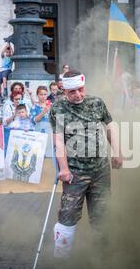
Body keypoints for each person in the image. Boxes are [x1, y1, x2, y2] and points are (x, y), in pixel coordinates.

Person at [49, 70, 123, 258]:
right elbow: (58, 140)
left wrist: (118, 151)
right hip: (75, 172)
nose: (77, 95)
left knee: (102, 214)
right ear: (64, 91)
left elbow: (110, 126)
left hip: (100, 171)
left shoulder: (96, 102)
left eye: (80, 90)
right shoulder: (58, 109)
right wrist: (64, 169)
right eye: (72, 91)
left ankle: (103, 258)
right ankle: (61, 258)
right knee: (69, 213)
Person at [30, 86, 52, 155]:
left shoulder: (52, 106)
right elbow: (34, 120)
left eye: (45, 94)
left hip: (50, 134)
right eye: (41, 94)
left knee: (49, 155)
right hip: (38, 134)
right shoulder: (34, 107)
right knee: (38, 154)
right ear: (37, 95)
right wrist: (43, 112)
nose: (43, 96)